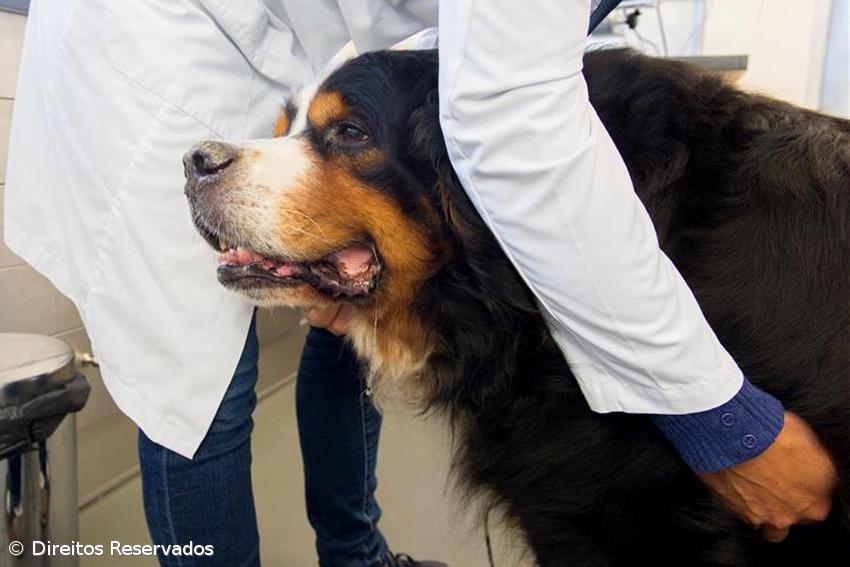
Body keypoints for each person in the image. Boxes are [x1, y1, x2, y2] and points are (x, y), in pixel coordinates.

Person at [2, 3, 835, 567]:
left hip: (287, 34)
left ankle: (355, 552)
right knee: (201, 384)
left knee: (349, 327)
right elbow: (510, 117)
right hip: (152, 48)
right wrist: (720, 416)